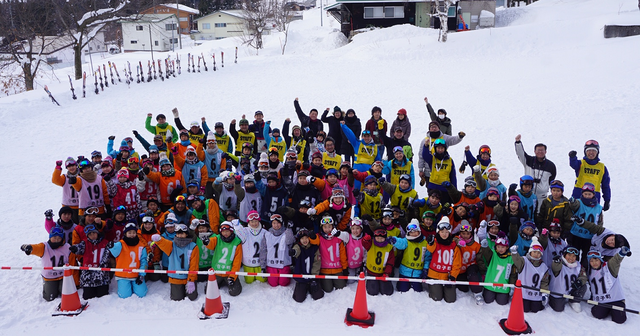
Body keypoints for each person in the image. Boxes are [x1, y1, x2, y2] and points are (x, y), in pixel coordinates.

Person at [20, 227, 71, 301]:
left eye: (59, 238)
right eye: (54, 237)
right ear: (50, 237)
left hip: (63, 276)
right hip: (50, 276)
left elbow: (72, 258)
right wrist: (30, 248)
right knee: (50, 297)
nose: (56, 240)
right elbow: (37, 248)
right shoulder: (44, 247)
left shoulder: (66, 246)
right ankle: (47, 286)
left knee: (66, 293)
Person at [151, 224, 200, 301]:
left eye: (182, 233)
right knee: (176, 298)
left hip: (188, 277)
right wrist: (159, 240)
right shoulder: (172, 245)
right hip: (176, 277)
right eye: (178, 233)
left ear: (186, 234)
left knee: (192, 297)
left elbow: (194, 265)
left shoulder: (193, 246)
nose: (179, 236)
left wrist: (191, 280)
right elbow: (164, 243)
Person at [68, 224, 112, 299]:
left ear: (97, 232)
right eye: (90, 234)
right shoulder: (84, 243)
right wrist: (75, 248)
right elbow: (79, 247)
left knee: (103, 296)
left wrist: (101, 269)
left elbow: (106, 257)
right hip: (88, 275)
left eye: (94, 233)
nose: (92, 236)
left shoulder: (105, 243)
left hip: (101, 274)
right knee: (88, 297)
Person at [514, 134, 557, 211]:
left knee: (540, 215)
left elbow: (551, 180)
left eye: (542, 150)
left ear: (545, 151)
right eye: (538, 150)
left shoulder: (551, 166)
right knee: (526, 212)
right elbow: (520, 154)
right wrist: (518, 142)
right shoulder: (528, 160)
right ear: (534, 151)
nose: (540, 152)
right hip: (528, 194)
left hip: (542, 196)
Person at [587, 249, 629, 324]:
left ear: (600, 260)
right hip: (602, 300)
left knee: (620, 320)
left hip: (616, 299)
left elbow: (616, 261)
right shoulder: (589, 272)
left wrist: (621, 253)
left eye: (596, 260)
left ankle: (615, 310)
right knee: (597, 315)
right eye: (591, 261)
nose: (594, 263)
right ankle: (608, 310)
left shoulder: (609, 267)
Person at [201, 222, 243, 296]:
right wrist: (207, 242)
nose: (225, 233)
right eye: (223, 231)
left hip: (228, 272)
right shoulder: (217, 238)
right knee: (208, 291)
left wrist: (232, 277)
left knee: (235, 292)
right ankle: (221, 281)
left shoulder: (237, 243)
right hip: (217, 271)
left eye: (227, 231)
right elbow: (211, 243)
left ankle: (226, 281)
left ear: (231, 231)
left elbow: (237, 262)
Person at [425, 218, 461, 302]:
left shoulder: (454, 246)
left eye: (446, 232)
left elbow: (457, 263)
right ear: (438, 232)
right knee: (437, 298)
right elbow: (430, 249)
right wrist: (429, 243)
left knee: (450, 300)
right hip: (434, 275)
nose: (444, 234)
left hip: (447, 276)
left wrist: (453, 276)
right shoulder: (435, 242)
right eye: (442, 232)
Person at [309, 215, 348, 292]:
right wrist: (312, 237)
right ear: (322, 228)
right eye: (325, 227)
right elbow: (314, 241)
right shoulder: (319, 237)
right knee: (328, 289)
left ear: (333, 227)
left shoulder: (338, 238)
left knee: (341, 287)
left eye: (329, 227)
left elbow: (342, 254)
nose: (327, 229)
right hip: (325, 269)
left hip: (337, 268)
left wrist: (345, 268)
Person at [569, 140, 611, 210]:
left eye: (594, 151)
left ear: (597, 152)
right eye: (589, 150)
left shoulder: (602, 168)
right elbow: (573, 164)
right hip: (578, 194)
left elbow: (606, 185)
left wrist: (607, 200)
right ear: (585, 152)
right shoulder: (580, 163)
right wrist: (572, 157)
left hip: (594, 197)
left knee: (591, 219)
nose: (591, 152)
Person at [567, 183, 603, 265]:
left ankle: (583, 270)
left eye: (589, 194)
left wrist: (598, 234)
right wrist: (572, 202)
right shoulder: (579, 202)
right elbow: (574, 205)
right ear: (582, 194)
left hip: (589, 236)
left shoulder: (598, 208)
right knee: (574, 254)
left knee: (586, 255)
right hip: (576, 234)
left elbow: (600, 222)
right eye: (585, 194)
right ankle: (573, 269)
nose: (587, 196)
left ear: (593, 194)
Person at [510, 237, 549, 313]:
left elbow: (544, 281)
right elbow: (517, 261)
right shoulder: (524, 261)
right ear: (530, 252)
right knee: (525, 309)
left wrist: (545, 293)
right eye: (534, 252)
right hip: (524, 293)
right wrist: (514, 253)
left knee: (536, 309)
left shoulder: (543, 266)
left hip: (536, 294)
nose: (536, 255)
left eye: (538, 253)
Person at [389, 221, 429, 292]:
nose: (413, 234)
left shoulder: (425, 243)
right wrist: (394, 240)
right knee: (402, 289)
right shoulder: (407, 241)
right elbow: (401, 243)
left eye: (415, 231)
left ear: (419, 231)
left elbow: (427, 257)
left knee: (417, 290)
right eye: (411, 232)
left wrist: (425, 268)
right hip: (405, 271)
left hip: (417, 272)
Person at [109, 223, 148, 298]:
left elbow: (144, 261)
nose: (132, 234)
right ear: (125, 234)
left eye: (133, 232)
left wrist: (141, 275)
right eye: (129, 233)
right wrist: (112, 246)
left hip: (136, 275)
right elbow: (114, 251)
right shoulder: (120, 244)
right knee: (124, 296)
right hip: (123, 275)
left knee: (142, 294)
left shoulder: (141, 246)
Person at [478, 233, 516, 305]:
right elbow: (487, 253)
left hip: (503, 287)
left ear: (507, 247)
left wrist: (511, 286)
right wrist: (485, 247)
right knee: (488, 300)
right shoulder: (493, 254)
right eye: (498, 247)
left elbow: (512, 274)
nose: (500, 249)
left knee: (502, 302)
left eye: (502, 247)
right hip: (490, 285)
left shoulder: (510, 258)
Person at [341, 124, 381, 191]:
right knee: (356, 190)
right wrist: (343, 126)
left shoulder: (375, 147)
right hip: (357, 170)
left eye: (368, 136)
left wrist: (378, 172)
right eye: (365, 136)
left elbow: (378, 161)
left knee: (368, 190)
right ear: (362, 137)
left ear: (371, 137)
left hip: (369, 171)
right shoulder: (357, 144)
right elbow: (350, 135)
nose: (366, 138)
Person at [548, 246, 587, 313]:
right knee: (558, 308)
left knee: (583, 286)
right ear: (564, 254)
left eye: (574, 256)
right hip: (558, 292)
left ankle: (574, 301)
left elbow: (583, 277)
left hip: (570, 289)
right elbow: (555, 268)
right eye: (569, 255)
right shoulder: (559, 263)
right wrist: (556, 262)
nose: (571, 258)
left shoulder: (578, 265)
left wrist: (579, 281)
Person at [231, 211, 267, 284]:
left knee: (263, 280)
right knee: (249, 281)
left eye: (256, 221)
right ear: (248, 222)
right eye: (252, 221)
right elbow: (239, 232)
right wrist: (237, 226)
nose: (254, 223)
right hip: (248, 262)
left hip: (260, 263)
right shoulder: (245, 231)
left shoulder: (264, 232)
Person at [290, 229, 324, 303]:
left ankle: (313, 285)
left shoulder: (314, 248)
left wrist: (314, 277)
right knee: (299, 298)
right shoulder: (298, 247)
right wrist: (293, 252)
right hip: (301, 277)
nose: (304, 240)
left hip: (312, 277)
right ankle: (302, 288)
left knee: (318, 296)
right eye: (302, 239)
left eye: (306, 238)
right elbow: (296, 250)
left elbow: (316, 263)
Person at [263, 214, 295, 287]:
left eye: (278, 223)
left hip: (284, 263)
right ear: (271, 224)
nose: (276, 225)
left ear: (281, 223)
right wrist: (263, 265)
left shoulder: (286, 232)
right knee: (273, 283)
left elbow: (290, 242)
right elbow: (263, 250)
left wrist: (289, 229)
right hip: (271, 263)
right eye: (274, 223)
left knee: (283, 283)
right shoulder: (267, 234)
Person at [362, 228, 395, 296]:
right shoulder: (371, 244)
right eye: (378, 238)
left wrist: (387, 273)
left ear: (385, 238)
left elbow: (390, 262)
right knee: (372, 292)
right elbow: (364, 243)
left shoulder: (389, 248)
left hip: (383, 273)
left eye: (381, 238)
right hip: (372, 272)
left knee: (387, 292)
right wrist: (365, 239)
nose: (379, 240)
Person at [423, 139, 457, 204]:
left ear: (445, 149)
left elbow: (453, 176)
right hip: (433, 187)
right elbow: (425, 156)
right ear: (435, 148)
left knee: (444, 208)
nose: (440, 150)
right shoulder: (432, 158)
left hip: (445, 189)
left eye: (442, 148)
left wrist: (454, 191)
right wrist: (426, 146)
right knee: (433, 207)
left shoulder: (450, 160)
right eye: (438, 148)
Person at [52, 157, 79, 222]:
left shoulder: (81, 176)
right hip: (68, 206)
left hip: (80, 205)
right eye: (69, 167)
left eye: (73, 166)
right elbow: (55, 180)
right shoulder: (65, 178)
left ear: (76, 166)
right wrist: (58, 168)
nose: (71, 168)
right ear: (67, 168)